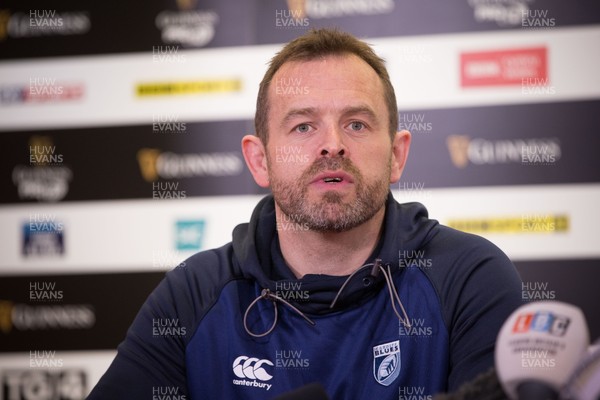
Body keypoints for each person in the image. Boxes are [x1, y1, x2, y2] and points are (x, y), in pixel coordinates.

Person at [87, 28, 523, 400]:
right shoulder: (193, 294)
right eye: (303, 126)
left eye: (356, 123)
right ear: (260, 161)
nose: (332, 144)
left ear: (396, 154)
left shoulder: (469, 277)